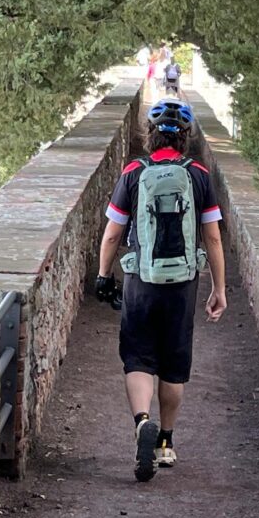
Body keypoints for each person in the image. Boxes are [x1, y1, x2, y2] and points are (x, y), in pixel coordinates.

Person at [93, 96, 226, 480]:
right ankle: (166, 442)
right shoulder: (199, 174)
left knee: (138, 357)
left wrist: (104, 275)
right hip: (183, 285)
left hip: (141, 282)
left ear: (149, 134)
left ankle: (142, 423)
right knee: (173, 363)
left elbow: (113, 232)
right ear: (186, 136)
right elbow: (213, 239)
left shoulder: (134, 171)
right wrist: (219, 288)